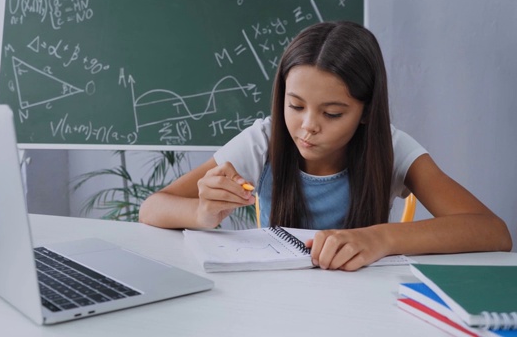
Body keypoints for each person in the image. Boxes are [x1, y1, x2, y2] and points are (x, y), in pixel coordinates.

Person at [139, 21, 512, 271]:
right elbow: (153, 208)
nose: (307, 127)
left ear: (366, 113)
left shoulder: (393, 148)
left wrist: (380, 238)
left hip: (365, 302)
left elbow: (493, 232)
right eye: (295, 105)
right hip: (278, 300)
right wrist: (204, 213)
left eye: (333, 113)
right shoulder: (264, 141)